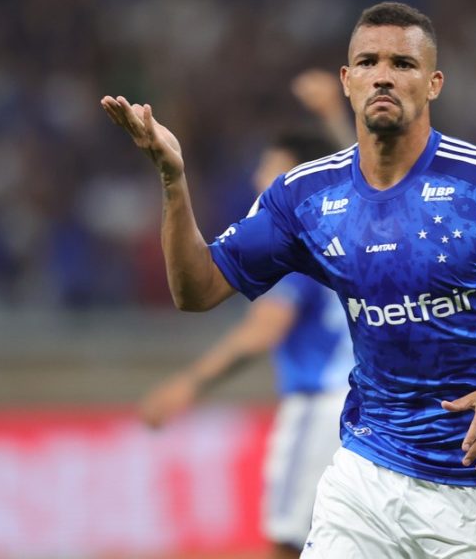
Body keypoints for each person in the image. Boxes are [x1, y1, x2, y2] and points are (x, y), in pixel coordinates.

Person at [102, 1, 476, 559]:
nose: (384, 74)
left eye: (403, 64)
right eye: (368, 61)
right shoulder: (307, 197)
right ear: (348, 80)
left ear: (434, 83)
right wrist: (174, 181)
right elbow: (196, 291)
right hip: (368, 469)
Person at [139, 129, 354, 559]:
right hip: (360, 408)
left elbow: (265, 327)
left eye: (269, 167)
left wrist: (188, 383)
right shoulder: (347, 226)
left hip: (318, 405)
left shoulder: (297, 236)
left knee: (287, 544)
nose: (259, 178)